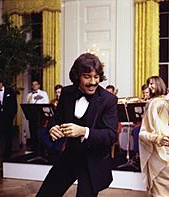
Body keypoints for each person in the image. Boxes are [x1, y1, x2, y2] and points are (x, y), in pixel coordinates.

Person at [37, 53, 118, 197]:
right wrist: (53, 127)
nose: (93, 82)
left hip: (93, 162)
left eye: (96, 77)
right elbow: (56, 119)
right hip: (70, 156)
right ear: (77, 76)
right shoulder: (67, 93)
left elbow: (111, 135)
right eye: (87, 76)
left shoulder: (108, 100)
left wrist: (83, 131)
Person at [0, 78, 17, 160]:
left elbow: (14, 105)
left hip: (8, 118)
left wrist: (11, 116)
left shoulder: (10, 91)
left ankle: (7, 156)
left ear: (1, 83)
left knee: (8, 137)